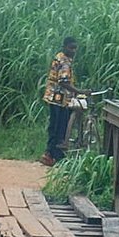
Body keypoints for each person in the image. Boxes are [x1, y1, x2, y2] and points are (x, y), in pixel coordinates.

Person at [40, 36, 80, 166]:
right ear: (64, 47)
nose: (73, 50)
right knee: (60, 128)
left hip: (53, 97)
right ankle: (53, 155)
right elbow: (64, 82)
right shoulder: (65, 62)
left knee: (54, 127)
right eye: (71, 48)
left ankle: (51, 154)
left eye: (75, 48)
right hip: (59, 99)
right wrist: (79, 91)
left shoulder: (59, 57)